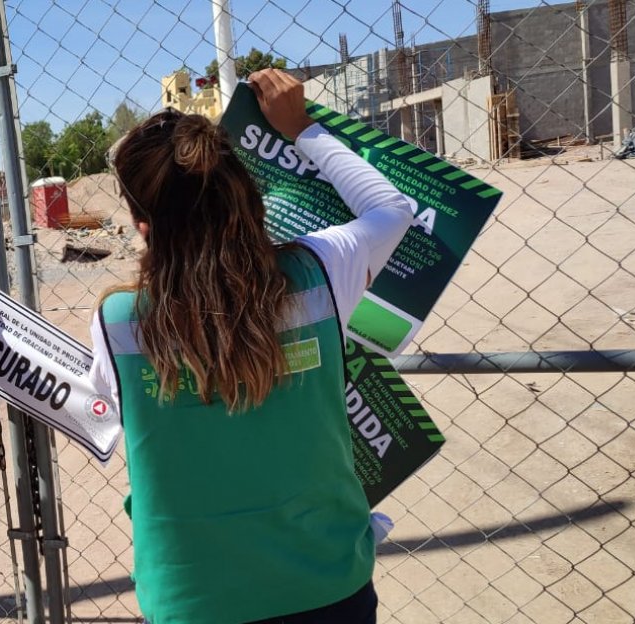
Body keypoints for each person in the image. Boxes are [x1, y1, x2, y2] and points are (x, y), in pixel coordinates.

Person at [91, 68, 414, 623]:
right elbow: (393, 212)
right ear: (242, 192)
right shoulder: (316, 271)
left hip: (191, 598)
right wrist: (303, 129)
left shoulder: (118, 319)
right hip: (327, 584)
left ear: (143, 225)